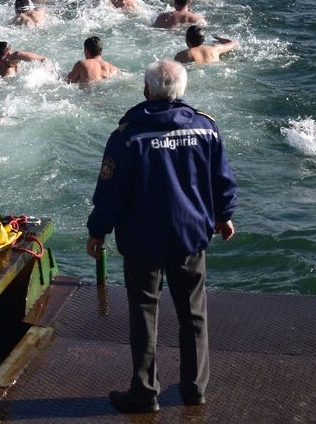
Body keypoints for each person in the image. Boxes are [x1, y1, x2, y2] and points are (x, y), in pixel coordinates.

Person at [85, 59, 238, 413]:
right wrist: (223, 216)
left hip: (142, 238)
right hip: (190, 234)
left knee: (143, 313)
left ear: (146, 90)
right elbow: (222, 180)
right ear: (182, 90)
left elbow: (110, 191)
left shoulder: (127, 135)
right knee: (193, 314)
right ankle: (195, 388)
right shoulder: (206, 128)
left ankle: (144, 391)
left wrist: (97, 232)